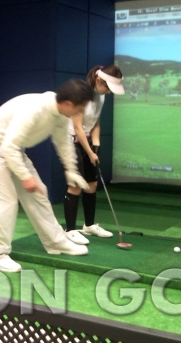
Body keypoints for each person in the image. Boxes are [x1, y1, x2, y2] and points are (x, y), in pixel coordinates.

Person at [0, 79, 93, 273]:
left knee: (39, 193)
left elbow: (63, 143)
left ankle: (55, 242)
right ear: (68, 103)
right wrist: (24, 176)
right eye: (80, 108)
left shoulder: (61, 115)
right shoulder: (34, 109)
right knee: (6, 203)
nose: (80, 112)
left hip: (14, 150)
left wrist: (71, 170)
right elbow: (9, 146)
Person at [63, 65, 124, 245]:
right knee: (76, 184)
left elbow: (95, 122)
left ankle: (88, 226)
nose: (109, 92)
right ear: (99, 80)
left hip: (87, 140)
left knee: (91, 184)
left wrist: (96, 145)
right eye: (108, 87)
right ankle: (70, 230)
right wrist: (90, 152)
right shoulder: (81, 95)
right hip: (71, 141)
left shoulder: (101, 96)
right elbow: (77, 128)